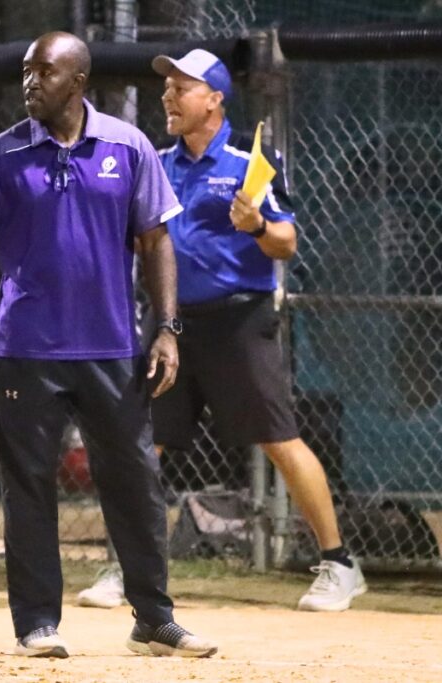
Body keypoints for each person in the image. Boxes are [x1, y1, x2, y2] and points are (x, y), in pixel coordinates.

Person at [0, 32, 216, 659]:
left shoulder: (128, 148)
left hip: (112, 348)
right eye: (25, 71)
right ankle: (37, 624)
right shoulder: (1, 155)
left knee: (135, 483)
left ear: (78, 82)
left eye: (44, 71)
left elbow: (156, 243)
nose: (30, 82)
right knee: (30, 488)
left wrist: (168, 329)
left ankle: (154, 619)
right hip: (28, 350)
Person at [78, 49, 367, 614]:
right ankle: (128, 568)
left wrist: (256, 223)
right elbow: (140, 237)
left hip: (238, 320)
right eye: (167, 88)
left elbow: (287, 242)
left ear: (213, 99)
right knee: (142, 447)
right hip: (170, 324)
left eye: (181, 88)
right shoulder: (155, 162)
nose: (168, 97)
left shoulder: (246, 162)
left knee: (281, 441)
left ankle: (339, 565)